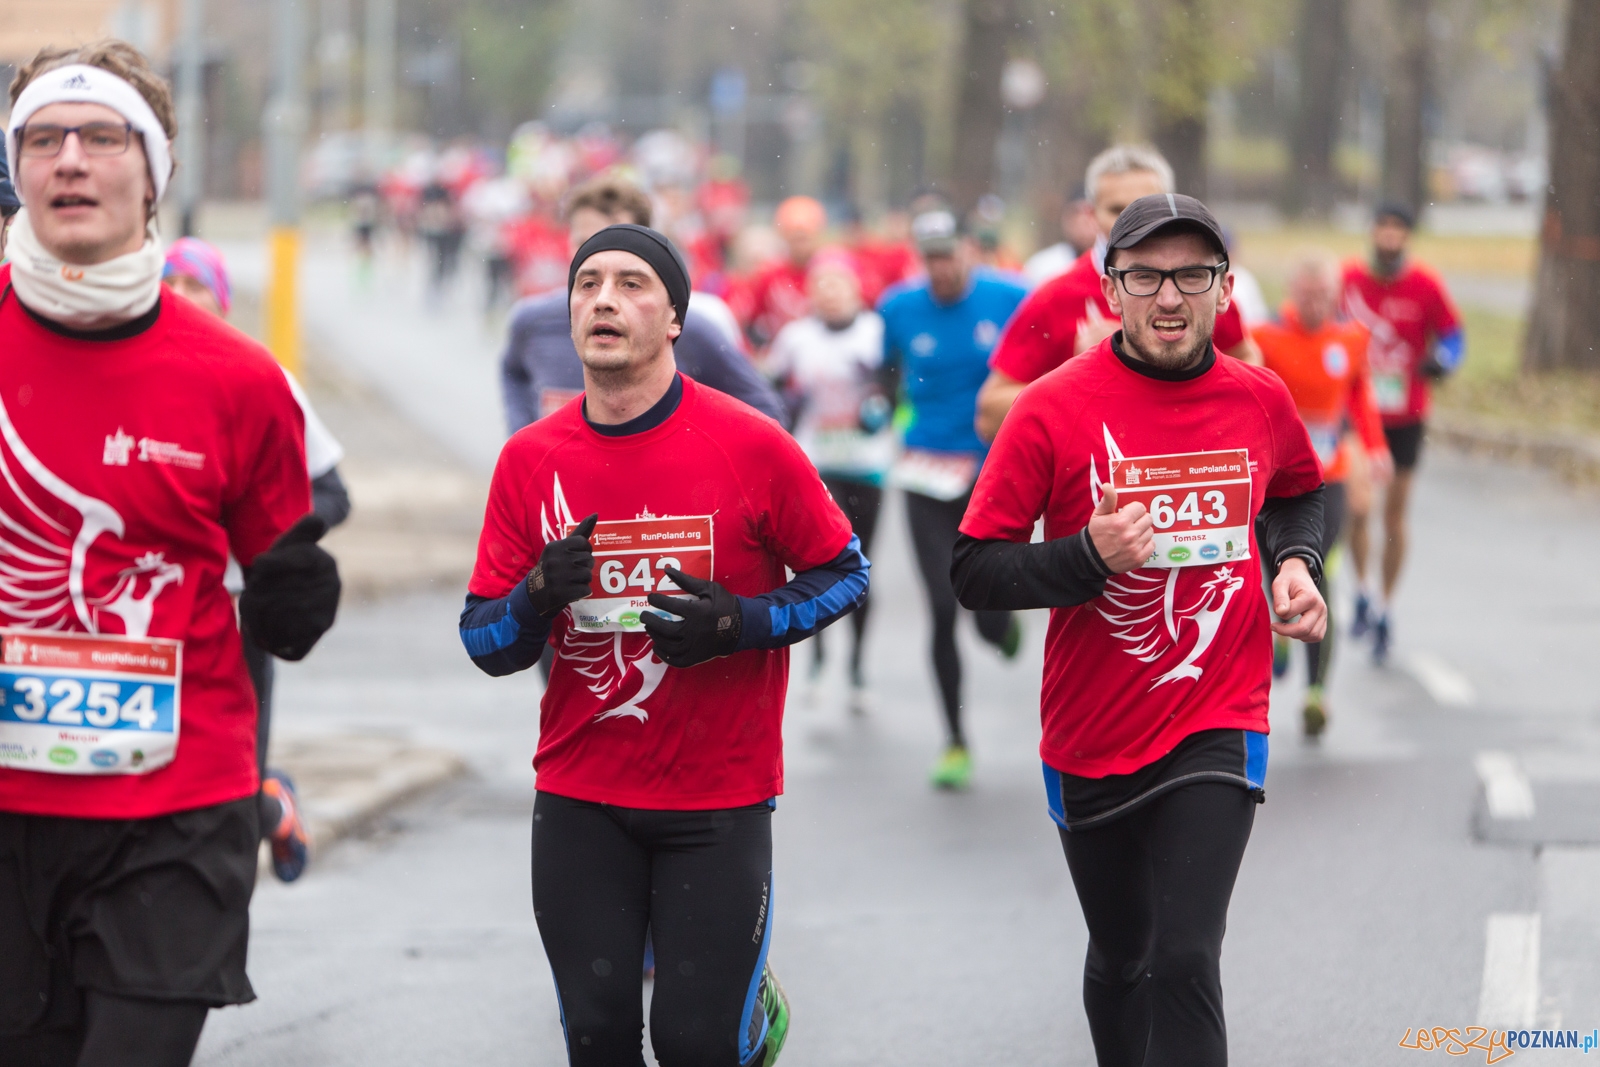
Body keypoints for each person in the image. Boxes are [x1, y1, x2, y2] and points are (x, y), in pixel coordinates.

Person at [0, 43, 341, 1065]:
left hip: (176, 802)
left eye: (102, 138)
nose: (70, 159)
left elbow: (283, 577)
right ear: (13, 168)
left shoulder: (236, 379)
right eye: (42, 139)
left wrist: (296, 589)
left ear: (152, 176)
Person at [459, 223, 869, 1066]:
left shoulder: (750, 443)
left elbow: (845, 573)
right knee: (599, 1037)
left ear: (677, 318)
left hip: (717, 800)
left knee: (694, 1043)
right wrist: (538, 593)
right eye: (588, 284)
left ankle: (746, 1019)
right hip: (580, 795)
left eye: (633, 284)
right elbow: (483, 637)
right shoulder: (529, 461)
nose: (604, 299)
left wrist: (741, 623)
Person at [951, 193, 1326, 1067]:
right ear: (1110, 289)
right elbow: (974, 569)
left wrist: (1295, 565)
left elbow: (1299, 491)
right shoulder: (1050, 407)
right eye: (1146, 276)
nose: (1169, 297)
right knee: (1124, 954)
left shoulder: (1259, 399)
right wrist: (1086, 554)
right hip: (1092, 731)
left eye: (1192, 275)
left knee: (1186, 954)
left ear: (1226, 289)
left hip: (1218, 712)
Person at [162, 236, 354, 877]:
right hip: (150, 610)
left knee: (229, 788)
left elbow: (331, 490)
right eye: (171, 283)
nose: (182, 298)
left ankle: (270, 808)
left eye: (196, 287)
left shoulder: (258, 377)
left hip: (237, 612)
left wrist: (265, 541)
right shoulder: (139, 378)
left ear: (222, 301)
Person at [878, 203, 1025, 790]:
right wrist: (879, 408)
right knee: (941, 607)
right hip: (923, 473)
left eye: (950, 254)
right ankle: (955, 741)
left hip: (989, 474)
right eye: (931, 257)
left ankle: (1001, 626)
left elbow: (1041, 366)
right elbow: (884, 374)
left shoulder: (1010, 297)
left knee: (984, 610)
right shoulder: (896, 307)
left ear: (970, 249)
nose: (941, 268)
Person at [975, 144, 1260, 443]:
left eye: (1144, 206)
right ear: (1089, 214)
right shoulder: (1056, 297)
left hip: (1187, 473)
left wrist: (1188, 388)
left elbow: (1248, 360)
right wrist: (1082, 377)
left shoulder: (1196, 287)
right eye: (1116, 210)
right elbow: (989, 415)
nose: (1133, 221)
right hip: (1094, 479)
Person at [500, 175, 783, 435]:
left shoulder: (686, 327)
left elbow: (764, 414)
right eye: (585, 242)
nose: (598, 255)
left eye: (616, 242)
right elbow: (513, 373)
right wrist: (525, 434)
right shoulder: (532, 321)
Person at [1253, 251, 1391, 736]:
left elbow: (1359, 395)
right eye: (1309, 296)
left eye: (1326, 297)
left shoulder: (1351, 338)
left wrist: (1374, 448)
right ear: (1293, 291)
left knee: (1314, 569)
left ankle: (1317, 694)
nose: (1317, 305)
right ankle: (1279, 627)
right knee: (1271, 567)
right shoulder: (1264, 337)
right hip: (1271, 477)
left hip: (1325, 476)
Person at [764, 250, 893, 710]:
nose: (831, 294)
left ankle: (857, 669)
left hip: (868, 463)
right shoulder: (796, 337)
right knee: (820, 562)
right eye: (822, 286)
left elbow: (895, 386)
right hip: (816, 465)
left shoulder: (877, 333)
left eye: (839, 285)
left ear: (857, 290)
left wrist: (883, 407)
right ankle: (818, 660)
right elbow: (773, 389)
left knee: (863, 566)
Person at [1341, 202, 1464, 663]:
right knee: (1358, 507)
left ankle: (1386, 608)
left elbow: (1454, 336)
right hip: (1358, 414)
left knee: (1394, 517)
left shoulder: (1425, 284)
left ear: (1407, 237)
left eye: (1399, 230)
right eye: (1383, 228)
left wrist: (1444, 361)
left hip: (1407, 416)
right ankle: (1362, 591)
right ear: (1372, 232)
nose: (1390, 238)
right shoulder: (1349, 279)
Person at [740, 195, 826, 350]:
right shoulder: (768, 274)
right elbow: (750, 320)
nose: (801, 245)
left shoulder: (830, 270)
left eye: (805, 237)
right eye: (795, 238)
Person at [1022, 192, 1097, 287]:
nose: (1082, 220)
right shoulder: (1043, 266)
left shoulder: (1113, 266)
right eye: (1075, 213)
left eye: (1089, 213)